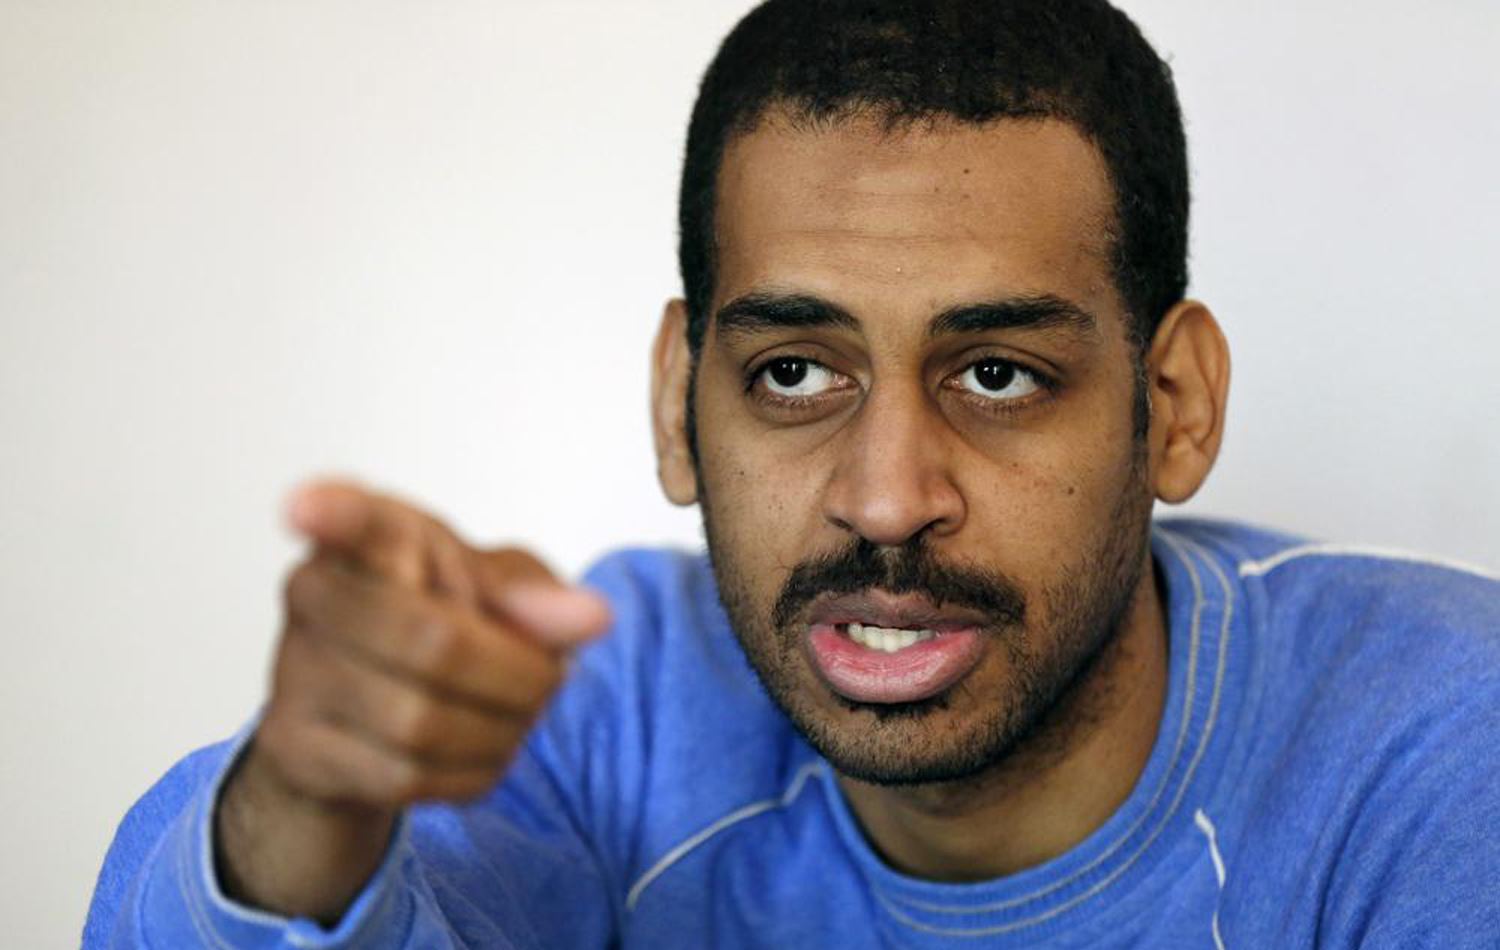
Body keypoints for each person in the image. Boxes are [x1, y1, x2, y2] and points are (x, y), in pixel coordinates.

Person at [85, 0, 1500, 946]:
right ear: (677, 404)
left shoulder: (1442, 748)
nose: (886, 500)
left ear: (1172, 406)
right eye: (794, 374)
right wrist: (313, 796)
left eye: (997, 375)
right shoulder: (606, 717)